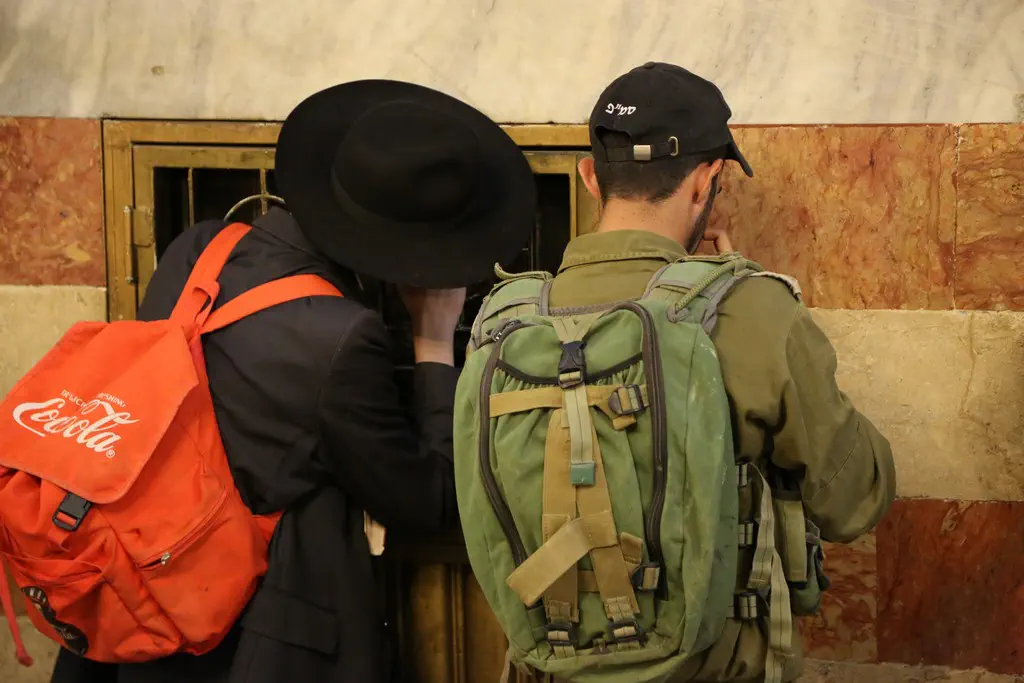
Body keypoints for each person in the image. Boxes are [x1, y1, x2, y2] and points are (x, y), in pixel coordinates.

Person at [49, 79, 537, 683]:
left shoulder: (198, 249)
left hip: (136, 593)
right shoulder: (339, 340)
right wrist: (434, 342)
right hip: (239, 645)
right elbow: (427, 501)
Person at [546, 62, 896, 681]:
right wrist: (753, 302)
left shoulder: (511, 318)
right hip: (713, 665)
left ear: (590, 177)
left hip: (552, 660)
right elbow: (856, 499)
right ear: (706, 181)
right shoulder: (754, 311)